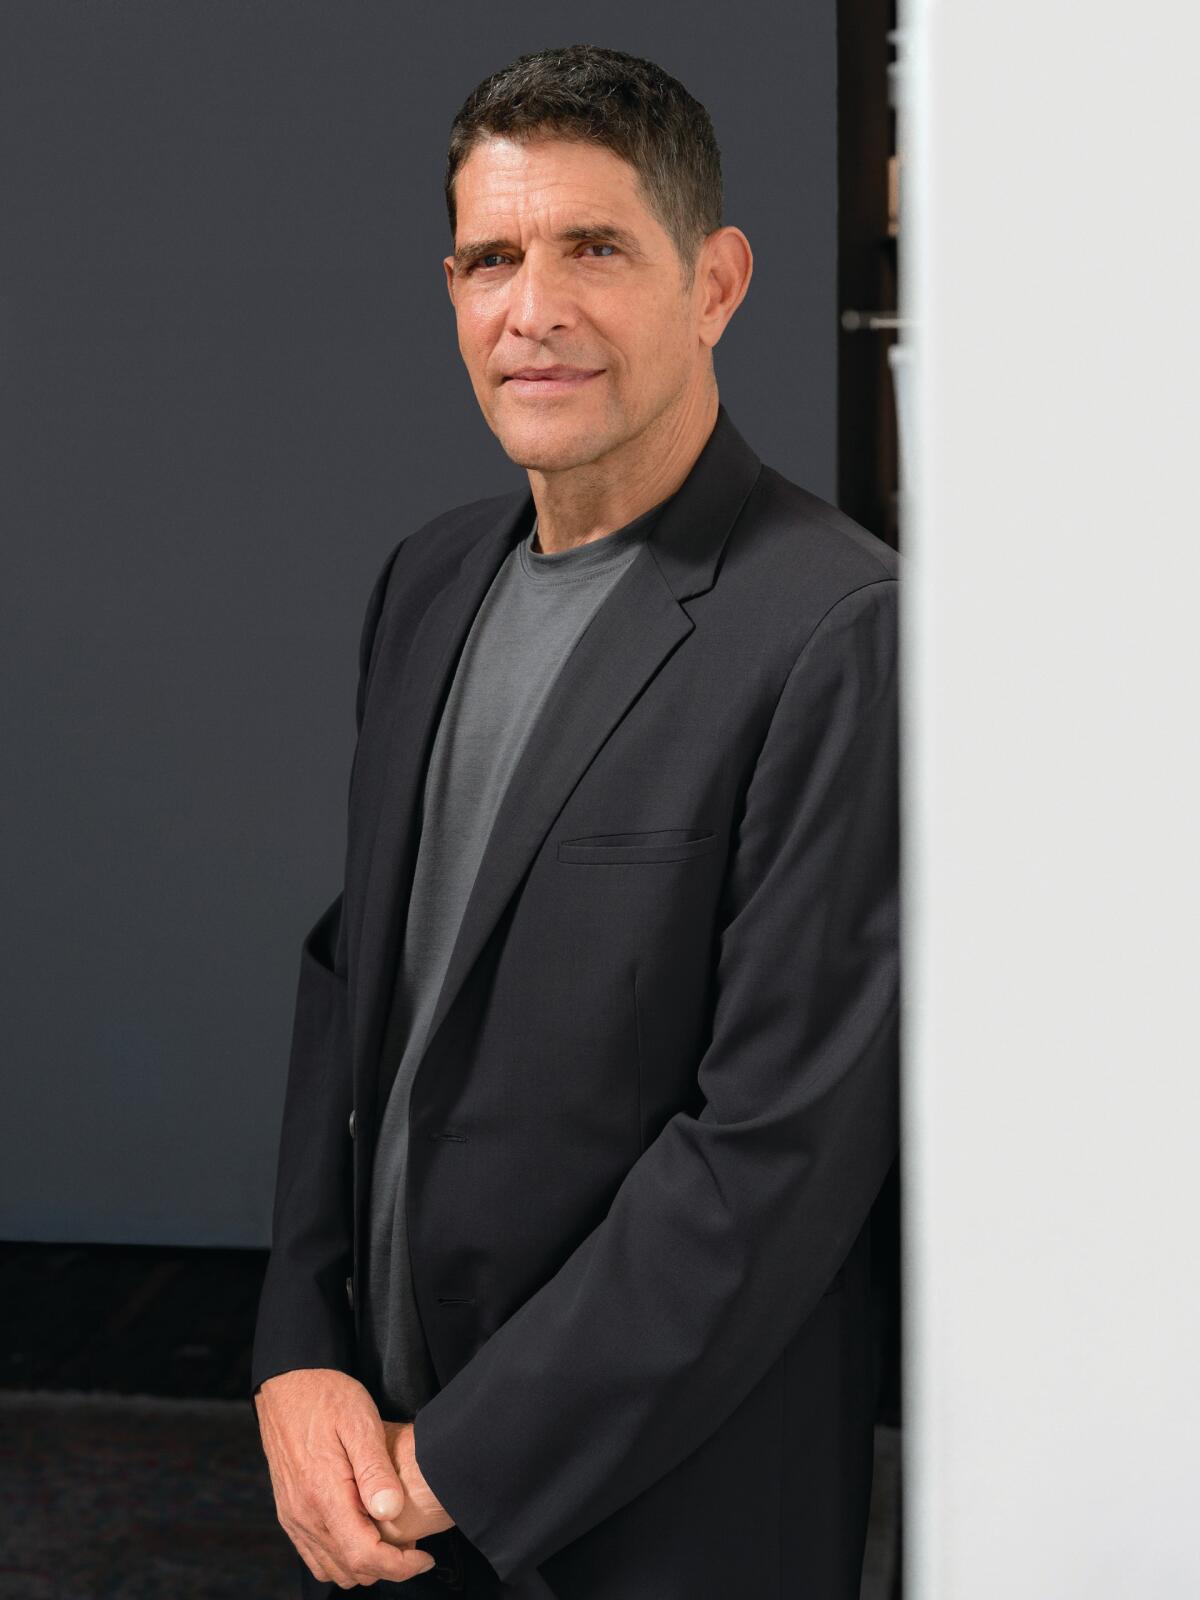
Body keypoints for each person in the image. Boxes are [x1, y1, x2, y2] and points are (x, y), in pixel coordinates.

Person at [252, 42, 900, 1600]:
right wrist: (298, 1354)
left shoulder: (839, 628)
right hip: (384, 1475)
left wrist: (454, 1463)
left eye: (594, 248)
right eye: (491, 257)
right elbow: (356, 985)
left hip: (654, 1513)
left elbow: (773, 1155)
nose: (531, 309)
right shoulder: (428, 578)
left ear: (718, 282)